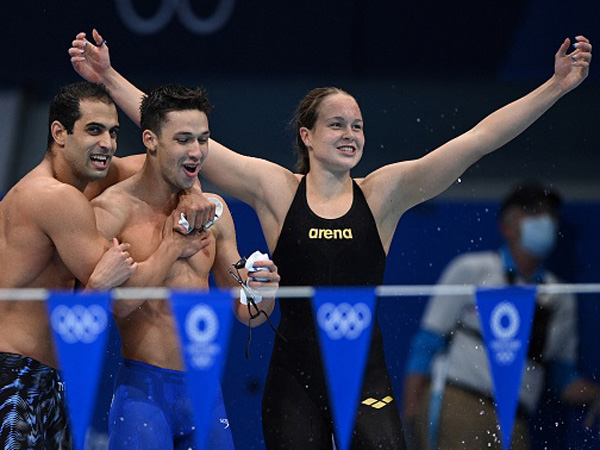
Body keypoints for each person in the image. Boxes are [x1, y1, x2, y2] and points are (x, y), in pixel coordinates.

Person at [69, 29, 592, 450]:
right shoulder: (274, 190)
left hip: (369, 382)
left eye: (358, 126)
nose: (350, 134)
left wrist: (555, 87)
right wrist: (110, 77)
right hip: (292, 383)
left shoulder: (384, 193)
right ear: (307, 136)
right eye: (337, 124)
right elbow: (177, 131)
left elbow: (476, 141)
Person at [0, 81, 212, 450]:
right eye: (94, 130)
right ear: (59, 134)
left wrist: (190, 189)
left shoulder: (84, 179)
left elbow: (163, 164)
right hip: (16, 374)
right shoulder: (54, 198)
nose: (108, 144)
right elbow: (127, 294)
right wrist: (171, 247)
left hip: (46, 376)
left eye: (113, 133)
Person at [89, 83, 280, 450]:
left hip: (206, 394)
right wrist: (173, 245)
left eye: (203, 139)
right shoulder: (113, 211)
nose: (196, 152)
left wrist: (264, 291)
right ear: (151, 140)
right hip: (143, 393)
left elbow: (248, 313)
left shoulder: (215, 211)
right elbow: (119, 305)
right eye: (183, 139)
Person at [402, 182, 600, 450]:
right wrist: (410, 414)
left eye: (550, 214)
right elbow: (426, 345)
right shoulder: (473, 270)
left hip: (515, 419)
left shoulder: (560, 296)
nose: (544, 221)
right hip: (459, 405)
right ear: (507, 225)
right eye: (533, 213)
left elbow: (563, 378)